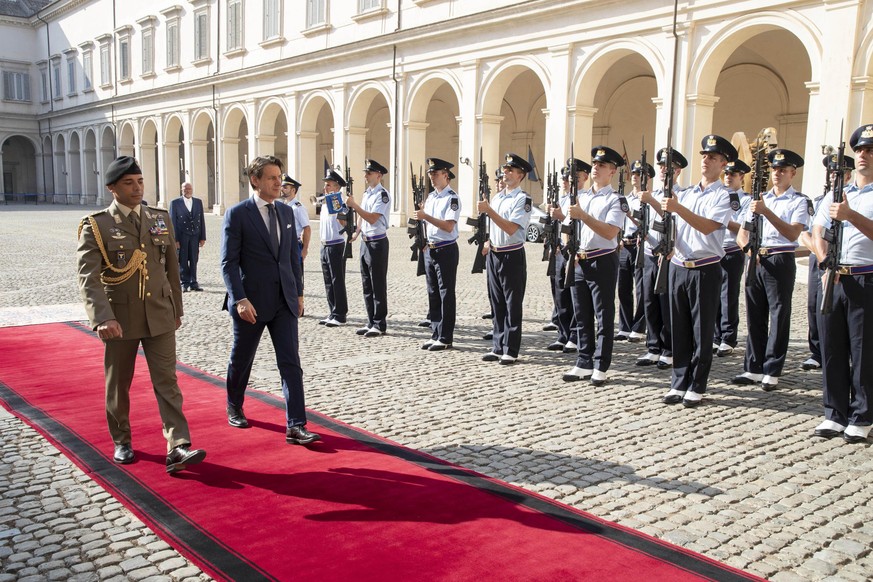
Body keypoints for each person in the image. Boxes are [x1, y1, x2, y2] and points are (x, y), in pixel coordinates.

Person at [76, 156, 206, 474]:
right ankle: (121, 439)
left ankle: (177, 445)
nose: (137, 188)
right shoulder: (98, 225)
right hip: (119, 320)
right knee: (119, 383)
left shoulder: (158, 218)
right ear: (112, 188)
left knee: (167, 381)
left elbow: (171, 268)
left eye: (140, 181)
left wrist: (176, 307)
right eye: (128, 183)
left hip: (160, 315)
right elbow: (87, 277)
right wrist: (102, 317)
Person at [220, 155, 320, 445]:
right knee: (242, 358)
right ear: (256, 180)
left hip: (284, 301)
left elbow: (292, 259)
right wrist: (239, 299)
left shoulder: (287, 214)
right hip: (250, 303)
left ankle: (296, 424)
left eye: (280, 177)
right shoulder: (238, 214)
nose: (280, 183)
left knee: (291, 363)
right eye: (273, 178)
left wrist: (299, 293)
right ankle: (234, 404)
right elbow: (228, 262)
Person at [661, 135, 736, 407]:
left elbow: (708, 227)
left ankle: (697, 383)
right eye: (704, 155)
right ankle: (678, 380)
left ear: (724, 164)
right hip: (680, 265)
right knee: (678, 327)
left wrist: (678, 208)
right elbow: (673, 225)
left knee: (701, 330)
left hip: (705, 268)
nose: (706, 160)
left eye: (713, 157)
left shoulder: (725, 196)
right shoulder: (687, 192)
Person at [810, 123, 873, 444]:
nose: (863, 155)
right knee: (832, 348)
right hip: (834, 276)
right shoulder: (839, 193)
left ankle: (862, 416)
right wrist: (824, 259)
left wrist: (851, 216)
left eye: (870, 150)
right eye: (860, 150)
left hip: (866, 277)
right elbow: (817, 230)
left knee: (863, 351)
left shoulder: (853, 201)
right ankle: (834, 413)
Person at [733, 149, 810, 391]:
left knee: (778, 315)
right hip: (756, 258)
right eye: (774, 169)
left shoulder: (799, 201)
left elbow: (793, 233)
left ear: (792, 173)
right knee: (754, 314)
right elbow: (742, 233)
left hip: (780, 259)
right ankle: (753, 367)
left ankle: (772, 369)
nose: (777, 173)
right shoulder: (758, 199)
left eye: (782, 170)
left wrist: (767, 212)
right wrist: (748, 250)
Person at [562, 147, 625, 386]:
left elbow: (610, 232)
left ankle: (601, 364)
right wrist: (570, 249)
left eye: (602, 165)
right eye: (595, 164)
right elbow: (568, 227)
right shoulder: (582, 196)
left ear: (612, 171)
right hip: (580, 259)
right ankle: (583, 361)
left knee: (603, 314)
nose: (596, 168)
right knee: (582, 315)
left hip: (603, 259)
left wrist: (584, 216)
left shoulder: (616, 200)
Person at [798, 155, 854, 371]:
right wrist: (817, 250)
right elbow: (808, 232)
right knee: (815, 304)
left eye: (838, 173)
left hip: (838, 257)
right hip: (818, 256)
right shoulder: (821, 199)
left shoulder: (850, 197)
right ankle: (817, 351)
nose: (833, 177)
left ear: (848, 175)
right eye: (831, 173)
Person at [479, 153, 533, 365]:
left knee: (512, 303)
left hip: (512, 254)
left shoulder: (523, 199)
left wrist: (489, 211)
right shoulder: (498, 197)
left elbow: (511, 228)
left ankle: (510, 349)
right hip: (495, 253)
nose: (506, 173)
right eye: (506, 169)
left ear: (521, 175)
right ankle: (498, 345)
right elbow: (494, 227)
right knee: (497, 302)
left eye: (511, 170)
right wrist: (488, 241)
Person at [636, 148, 687, 369]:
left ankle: (669, 349)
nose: (664, 170)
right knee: (649, 301)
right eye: (662, 166)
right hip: (650, 252)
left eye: (669, 167)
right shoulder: (653, 193)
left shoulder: (681, 195)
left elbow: (673, 219)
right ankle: (653, 346)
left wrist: (653, 202)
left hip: (669, 254)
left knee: (668, 304)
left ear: (677, 171)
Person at [414, 158, 461, 351]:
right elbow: (426, 224)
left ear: (446, 175)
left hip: (446, 248)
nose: (432, 177)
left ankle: (445, 336)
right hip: (430, 248)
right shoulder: (432, 197)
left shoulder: (452, 198)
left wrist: (426, 217)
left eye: (435, 174)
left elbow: (449, 226)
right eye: (430, 174)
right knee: (433, 293)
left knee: (445, 293)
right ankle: (435, 332)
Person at [345, 159, 391, 337]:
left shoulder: (382, 195)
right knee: (367, 284)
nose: (365, 176)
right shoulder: (367, 194)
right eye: (365, 173)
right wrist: (356, 232)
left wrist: (355, 206)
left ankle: (380, 323)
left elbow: (372, 218)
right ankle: (371, 320)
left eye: (369, 173)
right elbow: (361, 218)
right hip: (365, 241)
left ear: (378, 176)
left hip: (377, 242)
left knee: (377, 283)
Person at [546, 160, 588, 352]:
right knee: (560, 295)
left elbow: (579, 226)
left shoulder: (585, 199)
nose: (571, 180)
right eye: (570, 177)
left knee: (574, 297)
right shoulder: (564, 199)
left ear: (584, 178)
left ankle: (574, 334)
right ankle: (563, 334)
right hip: (561, 250)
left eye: (575, 176)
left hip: (577, 251)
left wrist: (561, 217)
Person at [713, 159, 752, 357]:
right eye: (726, 173)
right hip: (714, 250)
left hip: (732, 250)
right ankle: (715, 335)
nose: (728, 177)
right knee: (713, 295)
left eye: (733, 174)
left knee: (728, 295)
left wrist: (723, 220)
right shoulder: (718, 196)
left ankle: (728, 337)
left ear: (741, 177)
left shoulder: (745, 200)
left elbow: (744, 228)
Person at [615, 160, 651, 343]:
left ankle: (639, 327)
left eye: (639, 174)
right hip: (624, 245)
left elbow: (647, 224)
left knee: (641, 289)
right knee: (623, 288)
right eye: (634, 174)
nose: (635, 177)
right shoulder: (626, 198)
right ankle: (625, 326)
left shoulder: (648, 199)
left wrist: (630, 215)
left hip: (640, 245)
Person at [318, 169, 349, 327]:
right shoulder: (324, 203)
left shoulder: (340, 203)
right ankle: (333, 311)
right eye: (325, 185)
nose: (325, 188)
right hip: (325, 244)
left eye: (328, 185)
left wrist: (337, 209)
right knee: (328, 281)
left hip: (336, 244)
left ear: (337, 187)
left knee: (337, 280)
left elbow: (345, 223)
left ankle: (340, 314)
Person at [169, 182, 206, 292]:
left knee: (194, 259)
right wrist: (175, 239)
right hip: (182, 235)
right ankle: (184, 282)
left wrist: (203, 237)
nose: (188, 191)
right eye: (185, 189)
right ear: (181, 190)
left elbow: (202, 220)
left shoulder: (198, 202)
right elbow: (172, 222)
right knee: (183, 259)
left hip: (195, 234)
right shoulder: (175, 203)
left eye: (189, 189)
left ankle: (194, 282)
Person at [279, 174, 311, 269]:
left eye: (285, 187)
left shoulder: (298, 208)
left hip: (294, 244)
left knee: (296, 274)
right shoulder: (284, 205)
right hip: (284, 244)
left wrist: (305, 249)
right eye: (282, 187)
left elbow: (307, 228)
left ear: (293, 190)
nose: (282, 189)